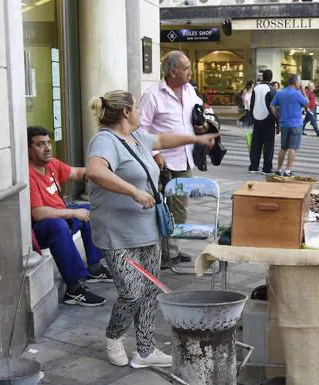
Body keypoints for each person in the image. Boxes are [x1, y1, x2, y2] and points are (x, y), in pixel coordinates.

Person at [86, 90, 218, 368]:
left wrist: (196, 139)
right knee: (131, 292)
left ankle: (145, 350)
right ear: (126, 112)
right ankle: (113, 336)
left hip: (146, 229)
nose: (138, 112)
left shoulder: (134, 138)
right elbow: (95, 171)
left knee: (149, 291)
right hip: (117, 232)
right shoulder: (105, 140)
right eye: (135, 107)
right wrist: (134, 192)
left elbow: (163, 139)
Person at [28, 126, 110, 307]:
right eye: (40, 145)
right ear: (27, 149)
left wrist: (103, 173)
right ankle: (74, 290)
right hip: (41, 229)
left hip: (60, 217)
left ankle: (95, 268)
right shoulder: (28, 173)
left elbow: (77, 173)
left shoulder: (50, 165)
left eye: (48, 143)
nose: (48, 148)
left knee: (91, 210)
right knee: (60, 226)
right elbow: (38, 212)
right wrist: (73, 212)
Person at [139, 50, 202, 266]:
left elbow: (197, 113)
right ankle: (162, 252)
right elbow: (141, 128)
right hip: (162, 162)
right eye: (186, 69)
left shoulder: (190, 90)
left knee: (180, 207)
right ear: (173, 71)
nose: (190, 72)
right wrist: (155, 154)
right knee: (162, 207)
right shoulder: (153, 94)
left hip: (185, 158)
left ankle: (173, 248)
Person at [270, 74, 308, 176]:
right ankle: (288, 170)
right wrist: (303, 91)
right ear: (295, 83)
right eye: (299, 81)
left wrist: (277, 116)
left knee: (283, 148)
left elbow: (272, 106)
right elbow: (306, 104)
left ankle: (278, 169)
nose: (300, 83)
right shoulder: (297, 93)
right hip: (296, 124)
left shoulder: (280, 93)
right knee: (292, 148)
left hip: (284, 124)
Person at [249, 70, 278, 174]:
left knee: (256, 144)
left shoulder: (256, 88)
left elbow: (251, 105)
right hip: (268, 119)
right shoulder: (272, 89)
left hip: (256, 119)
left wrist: (252, 118)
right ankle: (267, 168)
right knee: (268, 145)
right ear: (270, 78)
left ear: (262, 77)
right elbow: (274, 106)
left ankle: (253, 166)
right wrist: (277, 122)